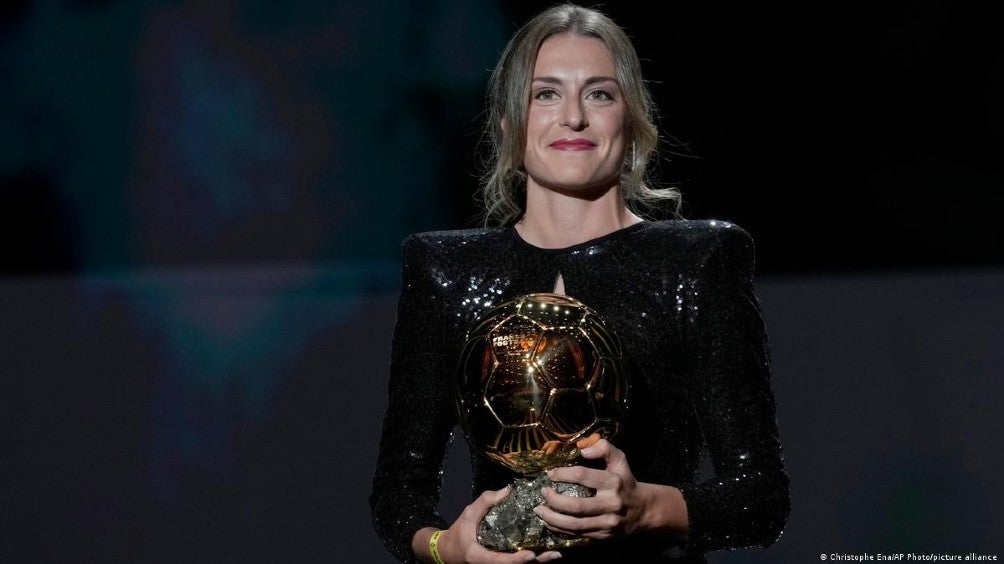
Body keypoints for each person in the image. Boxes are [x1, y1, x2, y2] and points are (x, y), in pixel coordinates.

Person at [370, 4, 789, 563]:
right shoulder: (445, 271)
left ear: (632, 120)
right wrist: (452, 548)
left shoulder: (696, 261)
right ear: (507, 125)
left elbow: (762, 496)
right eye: (545, 94)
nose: (573, 118)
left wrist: (647, 509)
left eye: (599, 94)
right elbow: (398, 495)